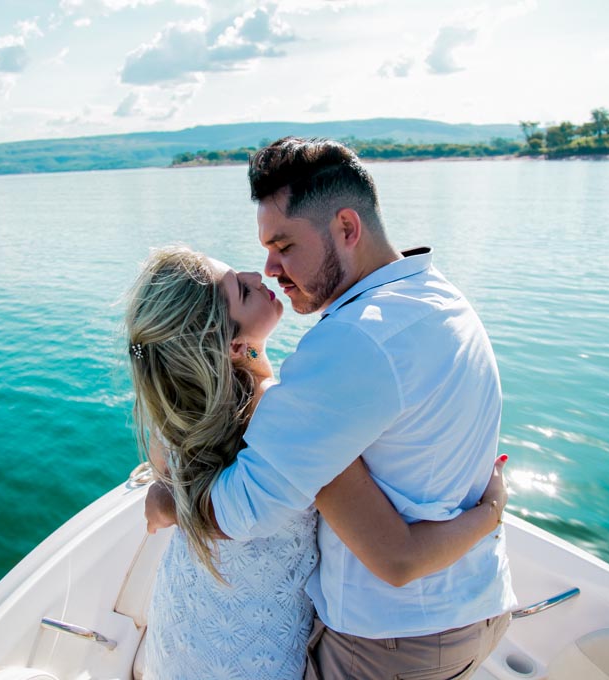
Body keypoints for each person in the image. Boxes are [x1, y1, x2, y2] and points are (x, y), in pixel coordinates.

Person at [145, 137, 517, 680]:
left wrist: (166, 501)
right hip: (474, 602)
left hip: (393, 638)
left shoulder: (353, 343)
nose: (269, 268)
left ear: (346, 228)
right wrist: (490, 515)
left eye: (284, 245)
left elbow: (239, 511)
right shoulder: (436, 296)